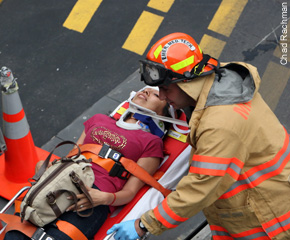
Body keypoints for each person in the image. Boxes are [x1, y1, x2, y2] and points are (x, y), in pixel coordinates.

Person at [108, 32, 290, 240]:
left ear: (187, 82)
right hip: (263, 197)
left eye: (166, 88)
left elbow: (200, 186)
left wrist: (144, 224)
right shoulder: (221, 83)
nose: (162, 96)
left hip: (269, 223)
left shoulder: (220, 125)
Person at [4, 86, 170, 240]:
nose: (146, 92)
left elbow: (130, 191)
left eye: (155, 94)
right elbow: (73, 155)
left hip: (93, 197)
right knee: (17, 234)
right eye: (145, 90)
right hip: (63, 179)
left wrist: (106, 198)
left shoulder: (151, 143)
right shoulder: (100, 119)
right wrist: (49, 169)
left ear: (164, 114)